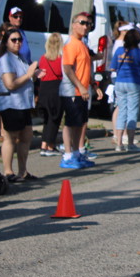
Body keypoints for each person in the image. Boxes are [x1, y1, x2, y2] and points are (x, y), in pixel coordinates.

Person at [0, 26, 42, 182]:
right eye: (13, 40)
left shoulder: (20, 57)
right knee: (10, 138)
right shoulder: (5, 60)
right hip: (11, 103)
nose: (17, 43)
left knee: (26, 136)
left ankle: (23, 171)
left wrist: (34, 75)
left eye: (20, 39)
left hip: (23, 103)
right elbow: (10, 84)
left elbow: (26, 77)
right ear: (6, 42)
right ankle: (8, 172)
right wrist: (28, 75)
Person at [60, 11, 96, 170]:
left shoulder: (82, 44)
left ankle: (76, 153)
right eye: (82, 23)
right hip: (72, 91)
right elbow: (67, 68)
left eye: (88, 23)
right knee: (70, 123)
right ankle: (67, 156)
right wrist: (80, 86)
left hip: (82, 91)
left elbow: (85, 68)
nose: (85, 26)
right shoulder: (71, 44)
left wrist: (92, 84)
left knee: (79, 124)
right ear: (74, 25)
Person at [111, 28, 140, 152]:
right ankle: (131, 144)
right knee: (132, 112)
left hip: (119, 82)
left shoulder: (119, 50)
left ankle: (119, 144)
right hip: (134, 83)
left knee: (122, 111)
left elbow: (112, 68)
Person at [37, 33, 65, 157]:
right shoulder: (61, 59)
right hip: (56, 88)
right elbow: (61, 73)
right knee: (55, 118)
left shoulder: (43, 58)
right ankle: (50, 146)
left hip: (44, 89)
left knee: (47, 119)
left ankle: (43, 145)